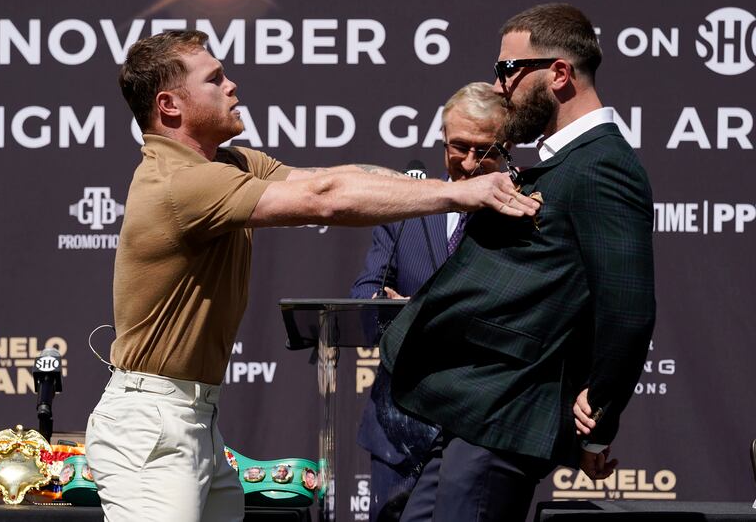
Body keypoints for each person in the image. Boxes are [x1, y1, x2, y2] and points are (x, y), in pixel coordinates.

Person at [83, 29, 540, 522]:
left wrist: (447, 185)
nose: (232, 84)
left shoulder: (230, 162)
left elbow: (329, 176)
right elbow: (324, 196)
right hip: (153, 423)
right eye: (214, 79)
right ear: (170, 106)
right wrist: (458, 194)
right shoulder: (182, 184)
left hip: (193, 420)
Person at [379, 3, 656, 522]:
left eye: (509, 69)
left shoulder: (604, 167)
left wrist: (599, 412)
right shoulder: (563, 164)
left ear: (558, 73)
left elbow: (626, 310)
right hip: (472, 412)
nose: (499, 84)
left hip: (506, 417)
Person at [350, 82, 507, 521]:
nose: (471, 163)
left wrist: (420, 306)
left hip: (477, 431)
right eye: (459, 147)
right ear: (442, 140)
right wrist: (382, 302)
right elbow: (363, 299)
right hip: (398, 433)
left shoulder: (520, 215)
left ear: (508, 147)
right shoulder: (406, 209)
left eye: (486, 150)